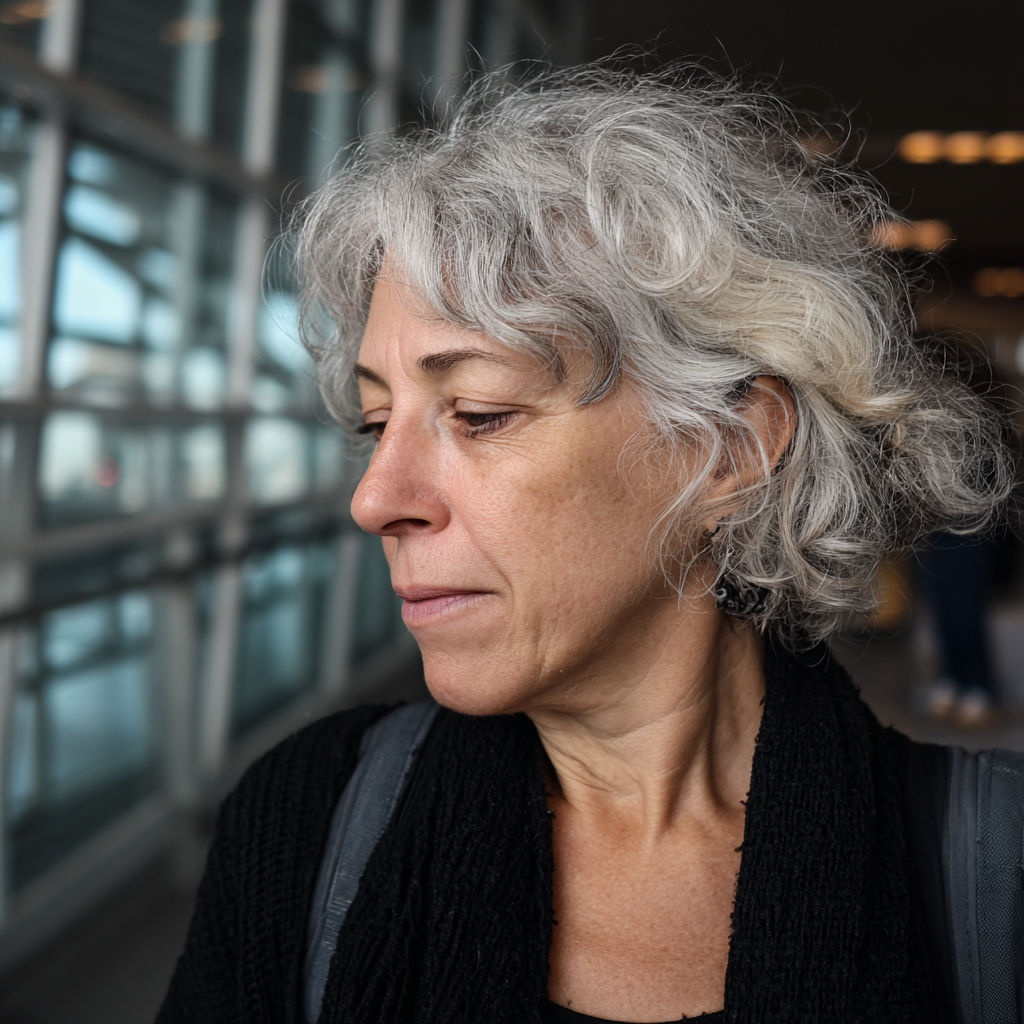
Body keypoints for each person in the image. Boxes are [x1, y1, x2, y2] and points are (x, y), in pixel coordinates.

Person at [157, 66, 1019, 1024]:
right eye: (374, 421)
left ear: (729, 451)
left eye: (479, 414)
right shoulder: (307, 824)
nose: (375, 500)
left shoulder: (996, 877)